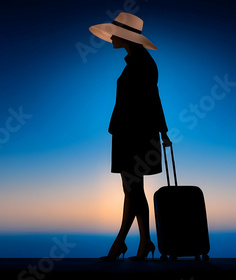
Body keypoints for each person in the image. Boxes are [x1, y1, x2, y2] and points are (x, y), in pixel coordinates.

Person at [89, 12, 172, 261]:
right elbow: (152, 98)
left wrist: (163, 131)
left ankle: (121, 243)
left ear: (126, 37)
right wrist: (163, 130)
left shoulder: (142, 64)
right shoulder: (139, 61)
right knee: (133, 190)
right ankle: (143, 242)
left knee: (132, 189)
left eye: (115, 33)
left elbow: (152, 99)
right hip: (130, 133)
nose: (111, 37)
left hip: (135, 134)